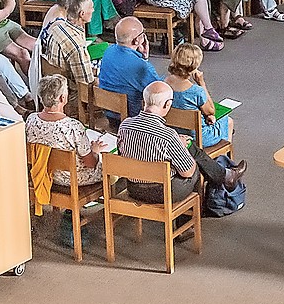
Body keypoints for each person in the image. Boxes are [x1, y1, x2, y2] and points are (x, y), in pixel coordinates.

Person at [116, 82, 246, 218]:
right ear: (167, 105)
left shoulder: (125, 126)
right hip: (164, 192)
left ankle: (225, 176)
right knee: (195, 165)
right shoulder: (168, 135)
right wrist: (180, 146)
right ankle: (187, 221)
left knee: (188, 149)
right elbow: (187, 172)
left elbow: (122, 152)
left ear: (144, 102)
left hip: (133, 188)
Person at [25, 74, 107, 247]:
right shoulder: (73, 126)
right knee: (109, 168)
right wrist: (95, 150)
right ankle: (109, 219)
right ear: (63, 98)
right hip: (74, 179)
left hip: (45, 175)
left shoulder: (31, 120)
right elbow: (90, 163)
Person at [165, 42, 233, 147]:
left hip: (173, 133)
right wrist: (202, 83)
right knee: (228, 120)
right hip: (198, 137)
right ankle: (223, 160)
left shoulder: (162, 84)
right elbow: (211, 110)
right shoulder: (196, 91)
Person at [40, 0, 95, 113]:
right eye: (91, 8)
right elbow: (85, 84)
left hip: (56, 81)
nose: (93, 10)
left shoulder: (57, 27)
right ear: (82, 14)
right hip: (70, 92)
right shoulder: (76, 46)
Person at [98, 15, 163, 117]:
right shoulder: (140, 66)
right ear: (136, 40)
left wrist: (144, 58)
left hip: (108, 111)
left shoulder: (108, 51)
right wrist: (145, 61)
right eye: (143, 33)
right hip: (131, 119)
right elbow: (159, 91)